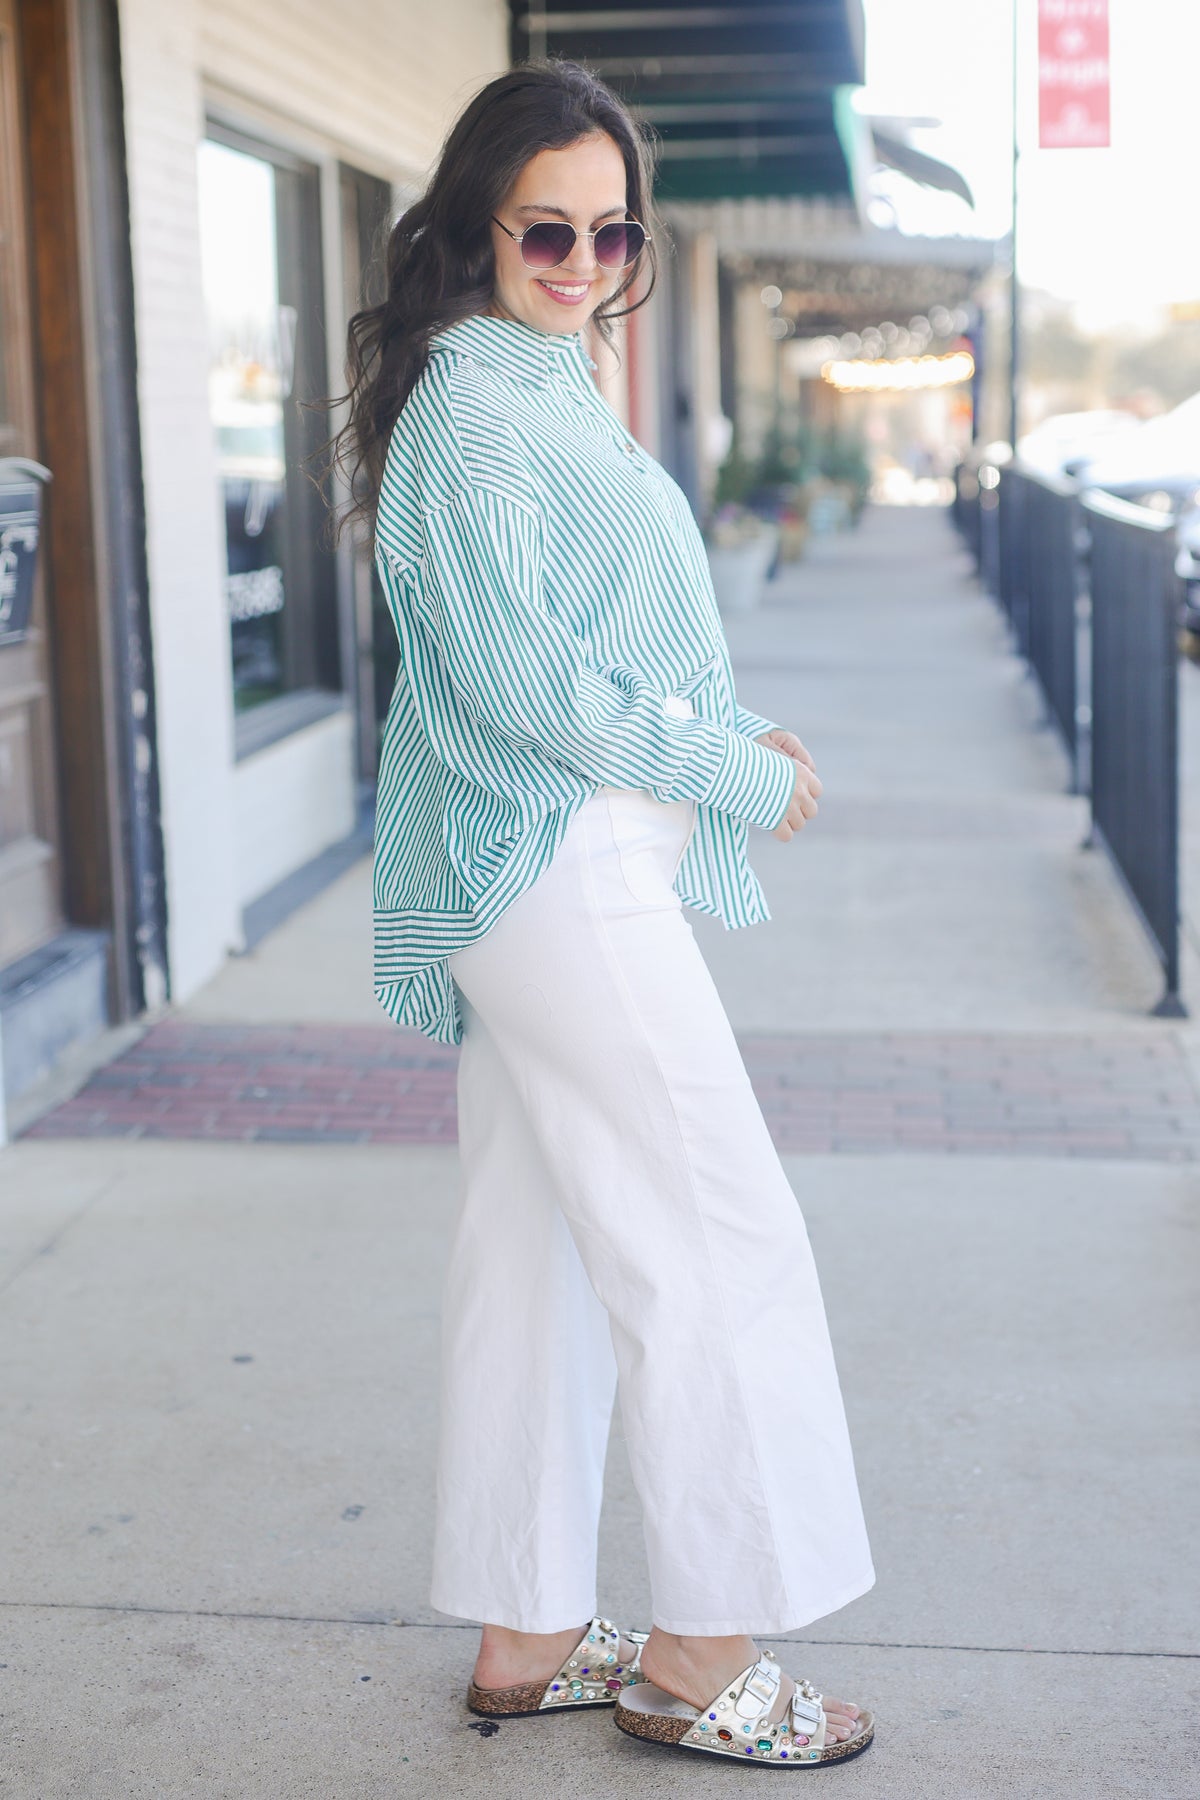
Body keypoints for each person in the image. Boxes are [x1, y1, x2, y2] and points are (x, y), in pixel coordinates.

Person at [327, 58, 876, 1770]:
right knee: (719, 1236)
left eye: (609, 229)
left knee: (544, 1244)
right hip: (551, 860)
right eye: (546, 229)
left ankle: (528, 1629)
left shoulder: (542, 379)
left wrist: (719, 736)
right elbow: (512, 677)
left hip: (550, 857)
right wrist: (725, 764)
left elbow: (583, 640)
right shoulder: (480, 408)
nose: (581, 258)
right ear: (480, 226)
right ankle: (706, 1657)